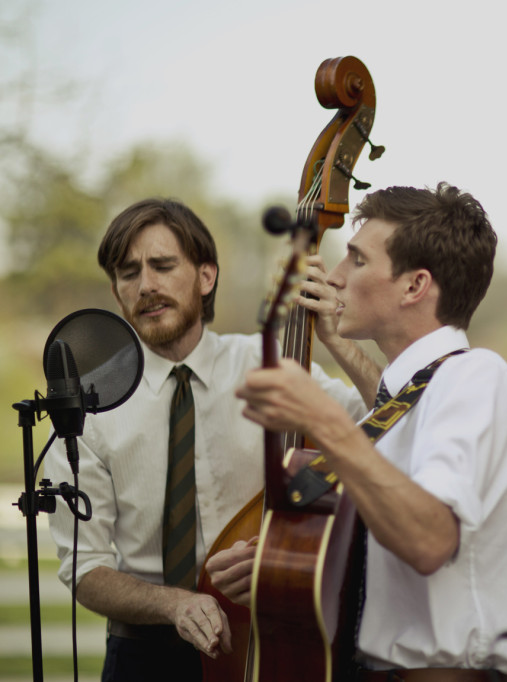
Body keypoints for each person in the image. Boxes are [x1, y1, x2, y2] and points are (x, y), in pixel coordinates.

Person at [207, 183, 507, 681]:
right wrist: (288, 567)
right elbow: (396, 422)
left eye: (357, 261)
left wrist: (323, 418)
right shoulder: (426, 390)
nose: (336, 277)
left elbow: (428, 539)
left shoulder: (477, 377)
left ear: (414, 286)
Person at [44, 198, 381, 682]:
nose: (147, 286)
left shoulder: (266, 362)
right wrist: (174, 604)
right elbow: (85, 569)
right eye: (129, 273)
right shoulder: (92, 405)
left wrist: (337, 341)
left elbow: (386, 421)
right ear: (116, 293)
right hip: (143, 658)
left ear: (206, 277)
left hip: (263, 643)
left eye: (163, 266)